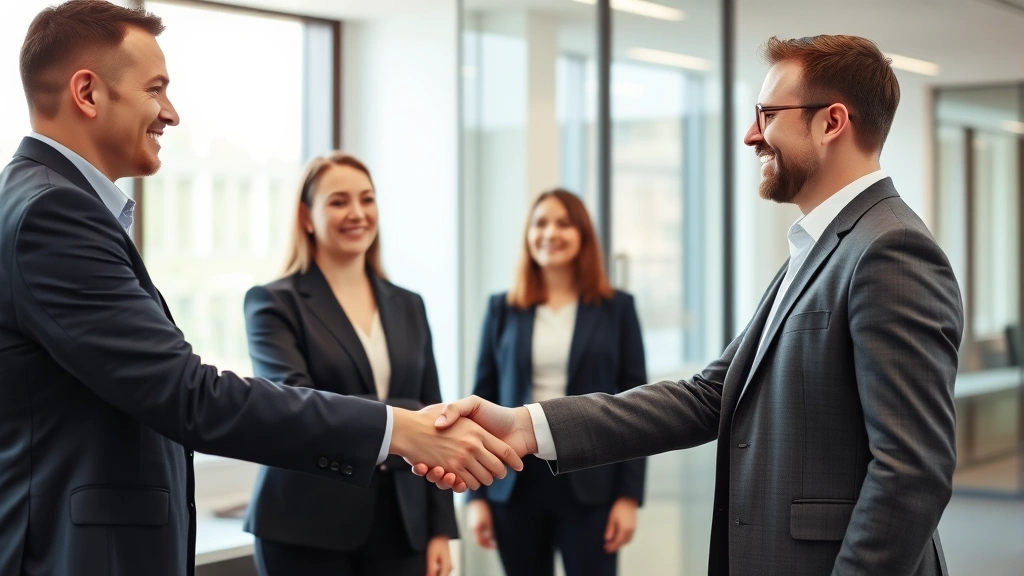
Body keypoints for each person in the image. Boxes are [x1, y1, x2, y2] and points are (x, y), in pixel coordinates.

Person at [0, 3, 518, 575]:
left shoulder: (45, 202)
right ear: (88, 93)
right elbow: (186, 394)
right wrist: (400, 429)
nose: (171, 113)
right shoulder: (54, 214)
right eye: (156, 89)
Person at [421, 34, 963, 576]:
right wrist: (527, 425)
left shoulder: (890, 249)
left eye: (767, 115)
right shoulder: (822, 247)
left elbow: (912, 470)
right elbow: (709, 396)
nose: (751, 135)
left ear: (832, 122)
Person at [242, 152, 456, 576]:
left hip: (402, 522)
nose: (357, 213)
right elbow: (294, 405)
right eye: (338, 202)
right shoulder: (273, 303)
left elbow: (438, 414)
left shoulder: (408, 304)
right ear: (306, 217)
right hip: (305, 523)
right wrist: (407, 414)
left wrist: (440, 528)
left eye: (367, 199)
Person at [466, 189, 647, 576]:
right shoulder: (502, 308)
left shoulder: (617, 309)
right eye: (540, 224)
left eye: (563, 224)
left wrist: (629, 497)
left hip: (592, 480)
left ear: (583, 235)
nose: (550, 233)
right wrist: (476, 497)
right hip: (513, 479)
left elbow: (635, 408)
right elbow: (482, 399)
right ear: (528, 235)